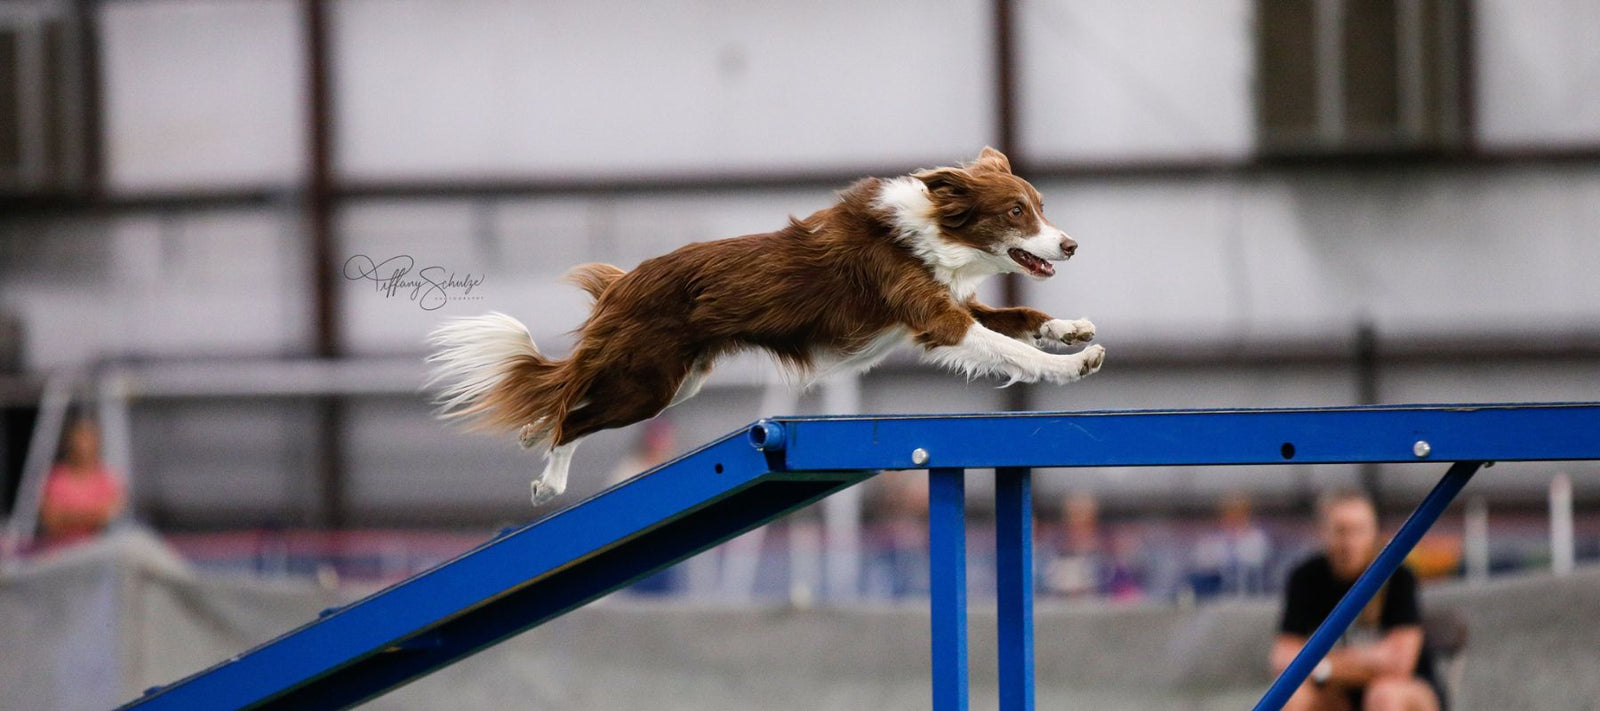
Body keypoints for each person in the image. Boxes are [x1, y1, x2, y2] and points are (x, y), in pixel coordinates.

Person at [1271, 490, 1441, 711]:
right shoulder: (1305, 577)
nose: (1350, 542)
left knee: (1384, 694)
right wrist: (1369, 660)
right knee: (1294, 696)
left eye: (1359, 530)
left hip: (1406, 691)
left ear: (1374, 532)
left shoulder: (1396, 576)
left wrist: (1322, 667)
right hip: (1336, 694)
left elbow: (1400, 663)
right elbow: (1282, 658)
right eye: (1341, 531)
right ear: (1323, 532)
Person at [39, 415, 125, 545]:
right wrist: (93, 514)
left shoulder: (108, 479)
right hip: (59, 548)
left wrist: (68, 515)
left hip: (96, 547)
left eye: (87, 439)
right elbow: (51, 519)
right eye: (79, 439)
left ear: (96, 443)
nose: (82, 445)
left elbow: (111, 514)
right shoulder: (55, 478)